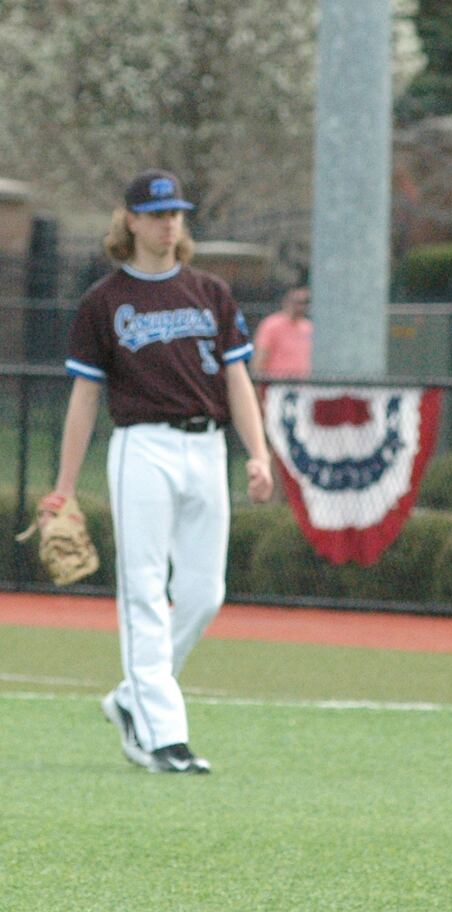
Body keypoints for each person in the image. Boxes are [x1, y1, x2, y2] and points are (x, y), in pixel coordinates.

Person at [53, 168, 274, 775]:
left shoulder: (210, 292)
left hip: (207, 449)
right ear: (130, 221)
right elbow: (84, 396)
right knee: (144, 593)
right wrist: (65, 487)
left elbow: (236, 378)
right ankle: (163, 737)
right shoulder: (104, 301)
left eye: (175, 212)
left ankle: (132, 700)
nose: (168, 221)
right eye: (155, 213)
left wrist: (257, 453)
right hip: (141, 448)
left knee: (204, 595)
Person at [251, 285, 313, 378]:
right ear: (286, 302)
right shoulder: (271, 324)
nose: (301, 307)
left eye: (305, 303)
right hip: (277, 382)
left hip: (302, 383)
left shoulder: (308, 327)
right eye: (298, 302)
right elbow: (260, 356)